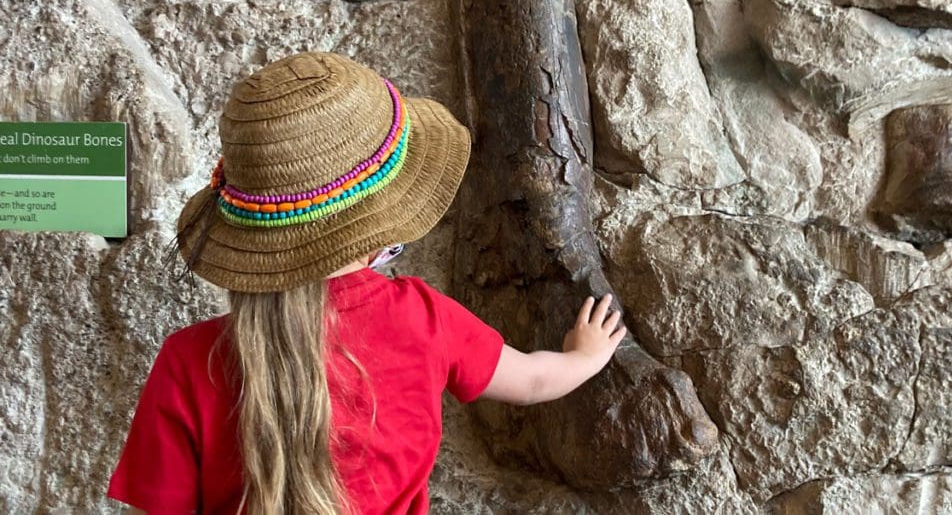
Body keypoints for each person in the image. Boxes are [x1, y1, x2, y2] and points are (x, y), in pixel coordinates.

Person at [106, 51, 627, 514]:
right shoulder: (423, 318)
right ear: (379, 230)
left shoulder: (187, 360)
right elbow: (532, 381)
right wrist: (585, 356)